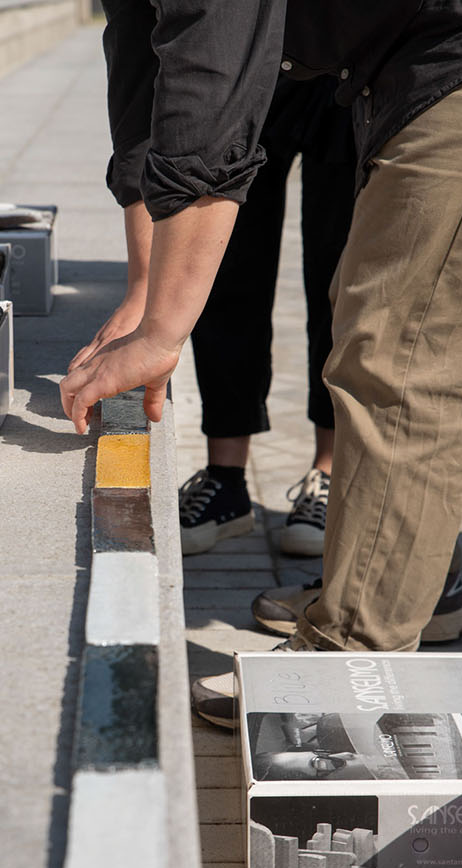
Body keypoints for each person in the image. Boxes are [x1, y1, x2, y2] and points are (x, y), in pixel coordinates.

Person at [62, 0, 462, 726]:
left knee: (400, 346)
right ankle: (411, 586)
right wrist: (147, 289)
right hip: (401, 50)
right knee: (390, 321)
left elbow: (212, 70)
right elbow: (143, 79)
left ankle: (346, 666)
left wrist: (161, 333)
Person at [167, 74, 355, 559]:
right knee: (228, 264)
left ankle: (329, 474)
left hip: (352, 56)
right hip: (256, 60)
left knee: (340, 274)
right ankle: (226, 478)